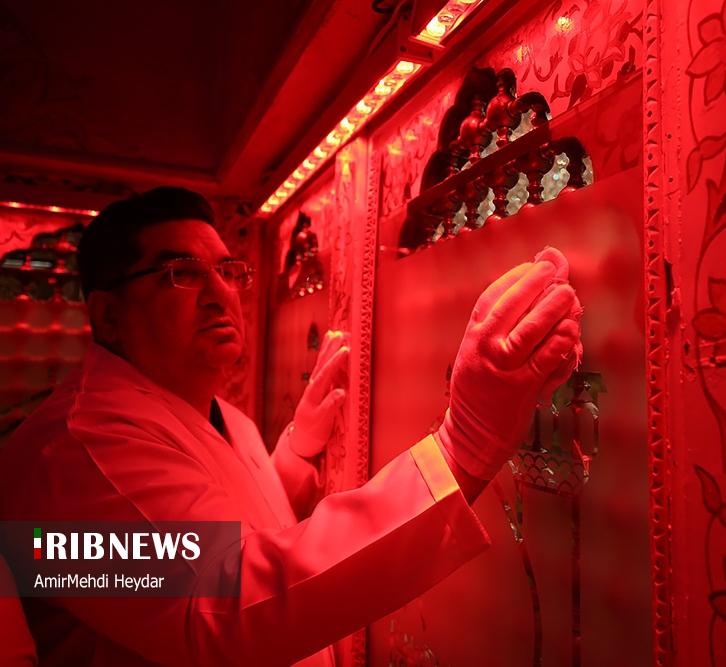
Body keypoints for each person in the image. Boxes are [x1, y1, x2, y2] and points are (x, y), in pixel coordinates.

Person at [0, 187, 582, 666]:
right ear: (108, 315)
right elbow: (219, 606)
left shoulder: (217, 412)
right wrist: (463, 446)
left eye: (226, 270)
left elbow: (229, 526)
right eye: (180, 274)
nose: (220, 295)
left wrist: (297, 454)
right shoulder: (71, 449)